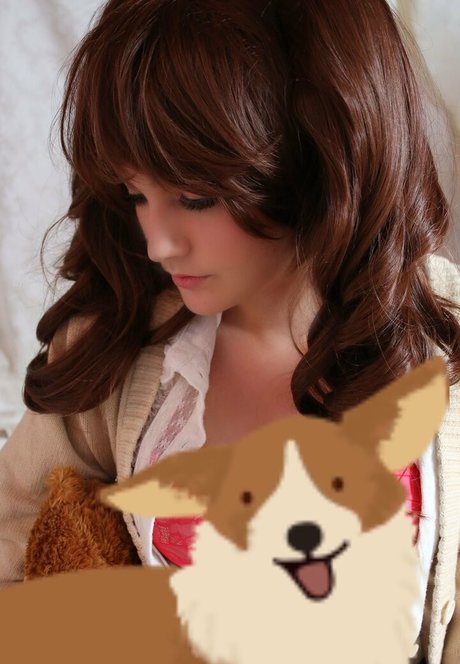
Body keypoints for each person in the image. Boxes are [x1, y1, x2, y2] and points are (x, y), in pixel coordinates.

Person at [0, 0, 459, 661]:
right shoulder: (119, 345)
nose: (158, 243)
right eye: (135, 194)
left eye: (195, 198)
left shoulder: (443, 341)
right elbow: (13, 546)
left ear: (321, 159)